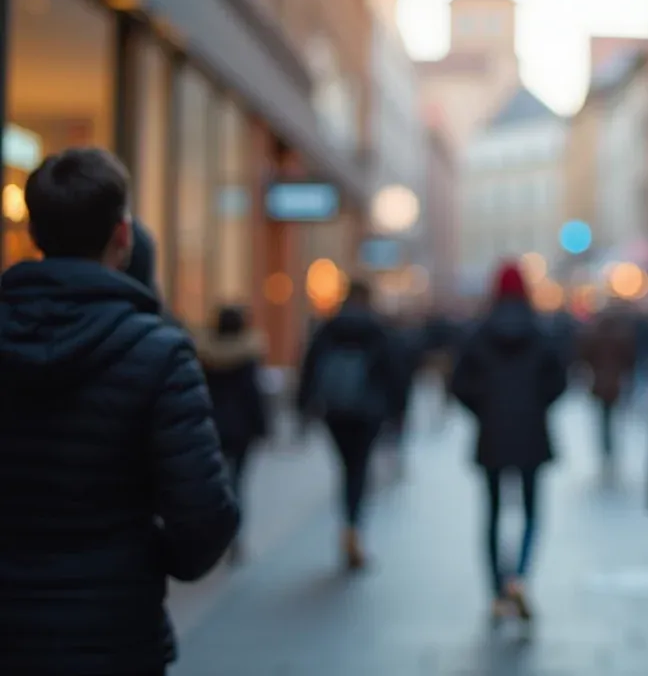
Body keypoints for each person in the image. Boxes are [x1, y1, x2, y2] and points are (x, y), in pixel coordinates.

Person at [0, 148, 239, 676]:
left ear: (34, 233)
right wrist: (142, 556)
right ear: (123, 237)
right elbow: (203, 523)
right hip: (113, 636)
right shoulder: (160, 353)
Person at [451, 262, 568, 623]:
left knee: (493, 513)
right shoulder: (541, 330)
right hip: (531, 432)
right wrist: (535, 405)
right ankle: (519, 576)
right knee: (532, 512)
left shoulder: (479, 332)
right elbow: (559, 380)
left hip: (492, 434)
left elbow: (459, 383)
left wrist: (485, 409)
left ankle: (497, 590)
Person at [296, 280, 412, 570]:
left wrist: (303, 407)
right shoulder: (377, 328)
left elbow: (310, 364)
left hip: (335, 411)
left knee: (346, 467)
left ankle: (348, 524)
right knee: (359, 468)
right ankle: (354, 527)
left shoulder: (329, 327)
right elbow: (394, 370)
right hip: (368, 410)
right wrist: (398, 410)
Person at [197, 305, 271, 563]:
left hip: (210, 426)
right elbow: (253, 395)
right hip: (240, 429)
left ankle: (214, 536)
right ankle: (233, 536)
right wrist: (263, 427)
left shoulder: (203, 355)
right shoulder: (247, 356)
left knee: (214, 482)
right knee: (237, 483)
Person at [578, 301, 637, 477]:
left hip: (600, 382)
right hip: (615, 383)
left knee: (604, 419)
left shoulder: (594, 334)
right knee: (612, 418)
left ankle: (606, 451)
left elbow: (584, 354)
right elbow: (629, 357)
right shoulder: (621, 335)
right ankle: (610, 451)